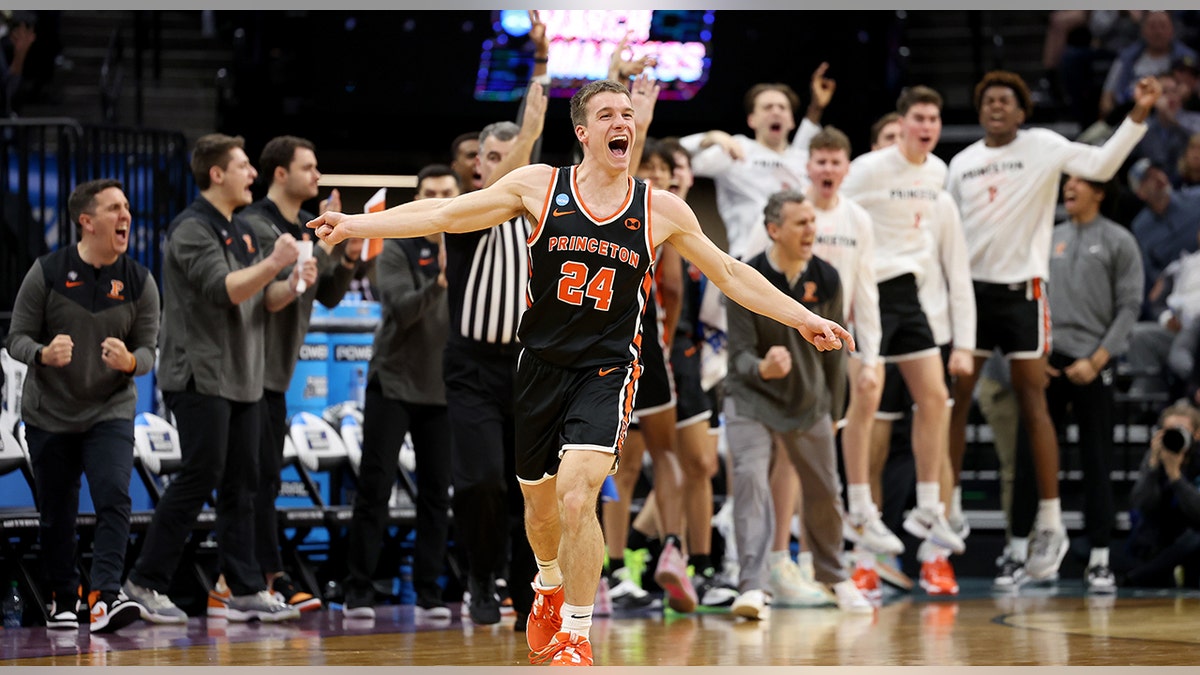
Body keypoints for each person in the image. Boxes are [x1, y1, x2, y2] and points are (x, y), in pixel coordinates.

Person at [309, 78, 853, 667]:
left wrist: (802, 318)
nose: (623, 122)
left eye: (629, 114)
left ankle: (576, 632)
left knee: (577, 498)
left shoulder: (659, 208)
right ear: (583, 132)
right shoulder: (540, 188)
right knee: (540, 509)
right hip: (539, 367)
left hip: (607, 370)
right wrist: (357, 227)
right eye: (608, 114)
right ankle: (546, 582)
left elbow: (730, 273)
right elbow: (445, 213)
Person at [945, 70, 1159, 583]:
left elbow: (1104, 162)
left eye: (1006, 100)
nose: (996, 106)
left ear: (1022, 112)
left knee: (1032, 401)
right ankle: (945, 504)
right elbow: (945, 233)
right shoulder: (962, 164)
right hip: (972, 292)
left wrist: (1139, 113)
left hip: (1024, 293)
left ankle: (1049, 522)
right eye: (988, 100)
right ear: (980, 112)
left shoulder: (1044, 146)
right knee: (957, 392)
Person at [122, 133, 309, 624]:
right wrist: (275, 262)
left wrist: (296, 279)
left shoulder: (240, 230)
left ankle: (244, 589)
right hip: (199, 374)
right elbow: (224, 290)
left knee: (243, 483)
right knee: (200, 474)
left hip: (245, 375)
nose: (253, 174)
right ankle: (144, 580)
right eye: (244, 166)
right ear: (216, 173)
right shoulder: (190, 229)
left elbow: (264, 300)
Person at [5, 179, 157, 633]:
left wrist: (130, 361)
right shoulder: (48, 272)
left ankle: (105, 597)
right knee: (58, 510)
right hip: (49, 411)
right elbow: (16, 338)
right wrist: (42, 354)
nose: (125, 215)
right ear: (86, 221)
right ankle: (63, 597)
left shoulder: (139, 280)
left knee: (114, 495)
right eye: (115, 208)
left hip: (110, 408)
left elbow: (149, 349)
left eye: (127, 207)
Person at [724, 189, 872, 620]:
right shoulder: (745, 277)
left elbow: (837, 354)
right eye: (801, 223)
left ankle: (833, 575)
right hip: (751, 398)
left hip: (808, 402)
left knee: (826, 490)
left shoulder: (827, 278)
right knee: (750, 478)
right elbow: (738, 357)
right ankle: (753, 586)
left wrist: (836, 411)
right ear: (774, 230)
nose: (812, 230)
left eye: (813, 221)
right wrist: (762, 368)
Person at [840, 85, 971, 571]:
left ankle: (929, 509)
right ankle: (858, 508)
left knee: (936, 398)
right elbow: (831, 208)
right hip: (869, 291)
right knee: (867, 401)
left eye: (934, 119)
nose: (927, 127)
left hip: (911, 294)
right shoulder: (868, 169)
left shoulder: (938, 172)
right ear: (902, 122)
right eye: (919, 118)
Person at [1003, 175, 1143, 594]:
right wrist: (1036, 354)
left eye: (1081, 182)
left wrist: (1100, 358)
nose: (1070, 188)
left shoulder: (1119, 240)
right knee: (1029, 457)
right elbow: (1029, 296)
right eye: (1067, 181)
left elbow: (1130, 305)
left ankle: (1100, 559)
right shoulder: (1048, 237)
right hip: (1047, 358)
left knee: (1097, 458)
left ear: (1100, 192)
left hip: (1093, 360)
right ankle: (1015, 552)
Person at [238, 134, 360, 614]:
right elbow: (262, 294)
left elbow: (326, 294)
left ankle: (252, 576)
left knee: (263, 476)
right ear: (280, 173)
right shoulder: (254, 225)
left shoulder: (301, 227)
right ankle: (263, 576)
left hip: (274, 372)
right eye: (308, 167)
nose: (318, 176)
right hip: (247, 369)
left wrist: (346, 254)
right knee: (252, 479)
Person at [342, 164, 457, 620]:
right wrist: (441, 282)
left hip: (444, 387)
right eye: (429, 192)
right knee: (375, 487)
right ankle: (358, 590)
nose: (438, 198)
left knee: (436, 494)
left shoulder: (470, 247)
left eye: (446, 192)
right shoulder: (395, 248)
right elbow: (401, 309)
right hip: (393, 382)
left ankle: (429, 592)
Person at [802, 127, 893, 597]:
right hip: (796, 337)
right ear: (808, 166)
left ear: (847, 168)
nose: (828, 170)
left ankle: (860, 506)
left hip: (841, 340)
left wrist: (872, 356)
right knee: (800, 444)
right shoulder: (791, 213)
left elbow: (868, 293)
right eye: (821, 161)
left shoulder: (859, 218)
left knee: (867, 391)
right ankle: (790, 553)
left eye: (836, 162)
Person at [679, 63, 836, 261]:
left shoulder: (803, 159)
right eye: (768, 107)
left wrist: (815, 107)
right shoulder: (736, 149)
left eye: (782, 107)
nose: (776, 112)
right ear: (752, 119)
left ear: (791, 121)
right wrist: (712, 137)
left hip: (799, 261)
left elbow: (806, 138)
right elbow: (674, 154)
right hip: (749, 260)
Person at [1126, 399, 1200, 587]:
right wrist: (1152, 467)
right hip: (1158, 536)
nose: (1174, 437)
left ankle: (1139, 576)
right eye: (1169, 431)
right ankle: (1162, 570)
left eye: (1182, 431)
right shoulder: (1154, 457)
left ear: (1197, 434)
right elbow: (1140, 504)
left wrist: (1175, 476)